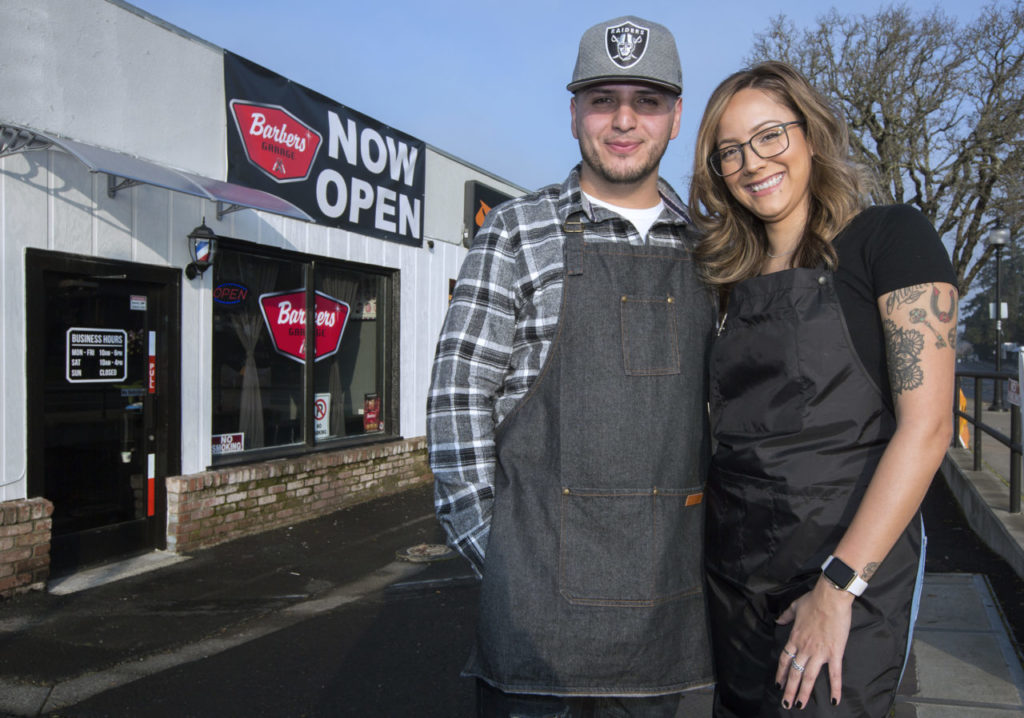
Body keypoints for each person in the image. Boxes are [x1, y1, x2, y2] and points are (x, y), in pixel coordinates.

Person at [428, 15, 715, 717]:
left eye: (647, 101)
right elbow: (456, 407)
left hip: (676, 636)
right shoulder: (516, 233)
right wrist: (506, 570)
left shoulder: (714, 250)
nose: (623, 120)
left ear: (676, 118)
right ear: (573, 113)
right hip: (537, 646)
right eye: (602, 99)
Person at [689, 60, 958, 717]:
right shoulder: (721, 276)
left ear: (811, 135)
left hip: (844, 571)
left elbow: (928, 430)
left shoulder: (890, 239)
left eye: (771, 136)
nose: (753, 162)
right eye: (730, 151)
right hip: (735, 580)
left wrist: (838, 589)